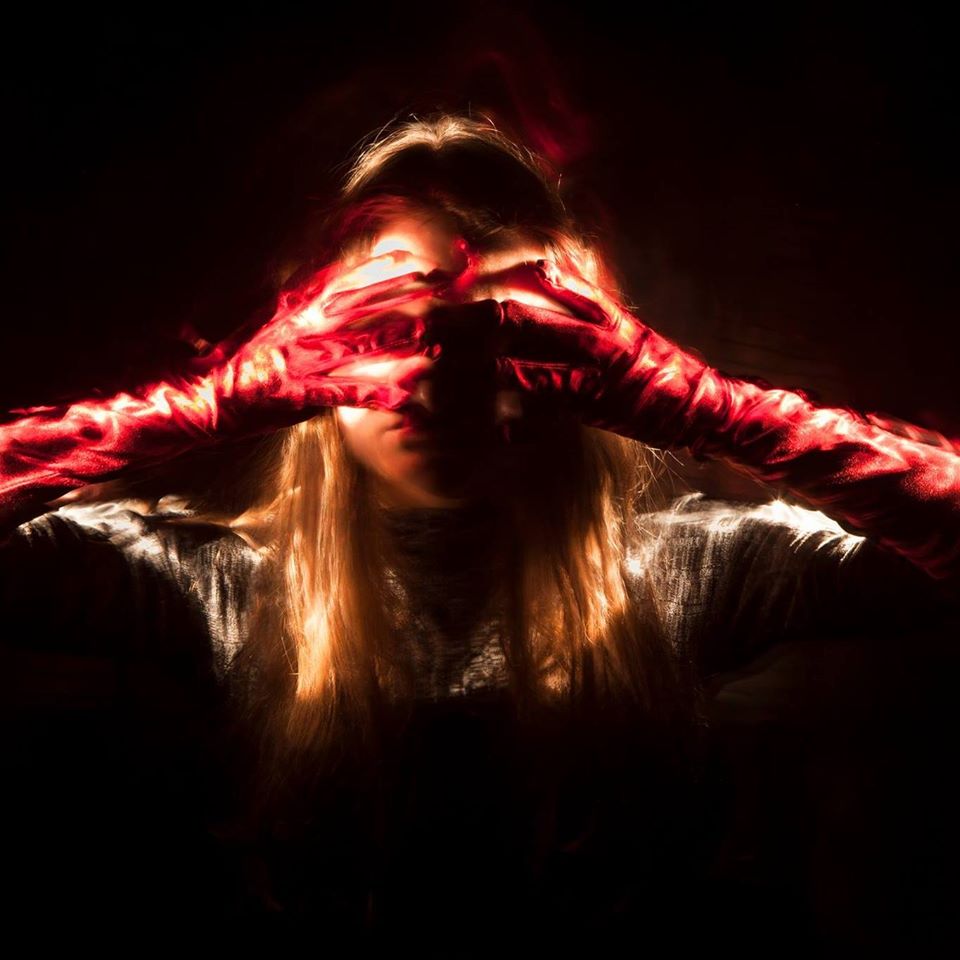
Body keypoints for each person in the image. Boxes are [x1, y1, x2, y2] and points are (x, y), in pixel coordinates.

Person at [1, 114, 958, 945]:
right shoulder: (215, 581)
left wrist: (708, 408)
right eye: (382, 333)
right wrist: (206, 403)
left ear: (593, 363)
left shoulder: (685, 570)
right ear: (306, 356)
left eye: (505, 339)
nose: (437, 375)